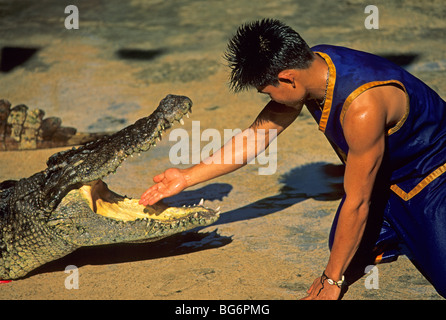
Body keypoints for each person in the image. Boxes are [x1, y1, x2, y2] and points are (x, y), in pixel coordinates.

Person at [139, 19, 446, 300]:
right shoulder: (313, 66)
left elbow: (358, 201)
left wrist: (331, 280)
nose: (269, 99)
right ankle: (406, 230)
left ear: (287, 79)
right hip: (384, 174)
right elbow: (257, 136)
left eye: (266, 91)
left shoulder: (362, 108)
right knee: (341, 247)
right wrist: (187, 177)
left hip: (432, 173)